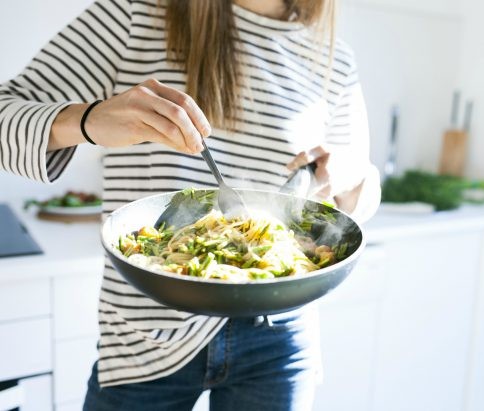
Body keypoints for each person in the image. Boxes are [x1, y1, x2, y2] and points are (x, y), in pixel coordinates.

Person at [0, 0, 380, 409]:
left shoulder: (333, 57)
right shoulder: (133, 14)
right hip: (146, 335)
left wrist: (353, 175)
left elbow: (359, 197)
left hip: (278, 335)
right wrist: (88, 120)